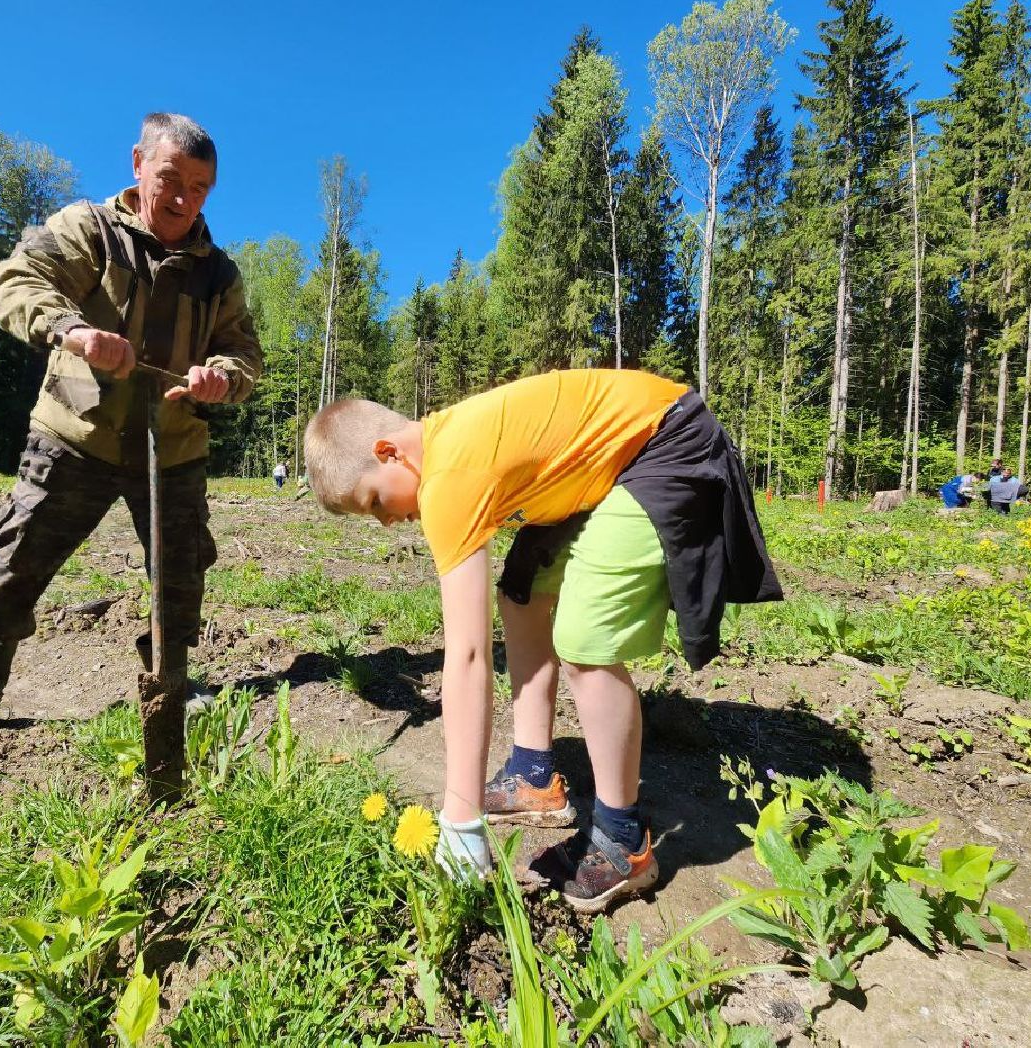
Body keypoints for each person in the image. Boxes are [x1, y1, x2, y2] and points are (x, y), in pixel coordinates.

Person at [303, 370, 781, 911]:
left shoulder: (448, 476)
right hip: (603, 463)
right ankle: (533, 774)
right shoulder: (449, 445)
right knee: (523, 593)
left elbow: (466, 655)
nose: (386, 522)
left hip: (664, 442)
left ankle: (622, 840)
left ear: (389, 452)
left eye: (372, 503)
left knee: (584, 640)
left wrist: (460, 818)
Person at [0, 113, 263, 714]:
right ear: (138, 164)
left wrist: (223, 378)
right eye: (171, 179)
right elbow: (15, 282)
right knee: (22, 551)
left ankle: (169, 678)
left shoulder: (220, 273)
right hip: (74, 435)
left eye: (200, 188)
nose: (185, 199)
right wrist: (75, 331)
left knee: (180, 571)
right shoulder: (88, 229)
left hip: (175, 447)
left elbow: (242, 350)